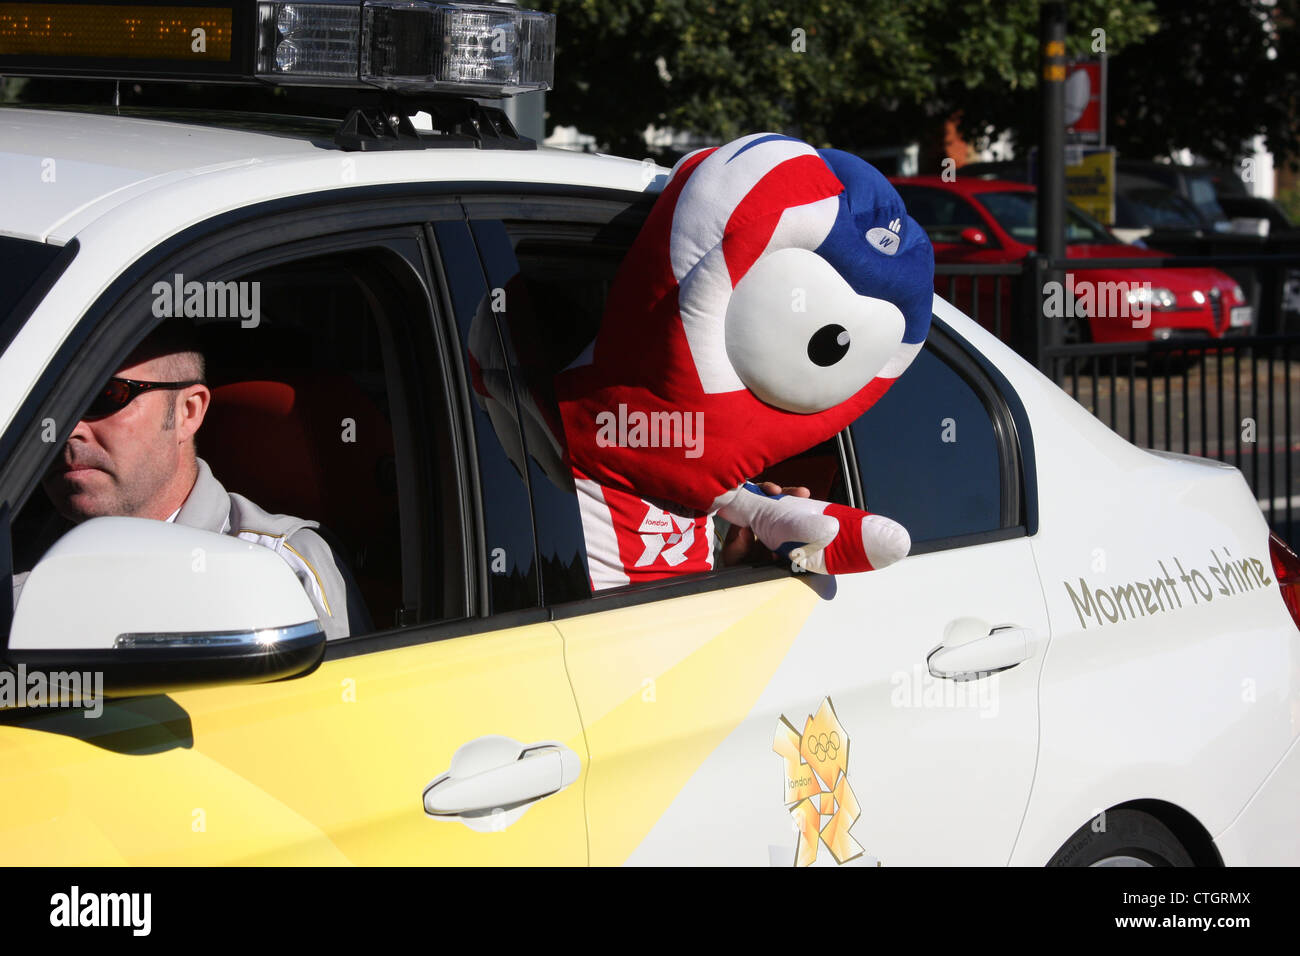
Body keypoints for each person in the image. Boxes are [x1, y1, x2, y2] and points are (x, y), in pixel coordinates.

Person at [13, 323, 364, 640]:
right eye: (47, 403)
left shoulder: (284, 569)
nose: (67, 430)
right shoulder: (14, 561)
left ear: (188, 412)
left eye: (105, 395)